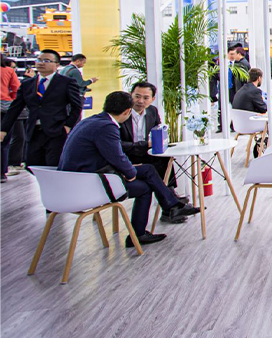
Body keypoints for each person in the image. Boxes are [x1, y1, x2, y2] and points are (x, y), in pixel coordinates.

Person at [58, 92, 200, 246]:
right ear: (127, 111)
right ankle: (141, 232)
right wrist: (130, 173)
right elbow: (117, 157)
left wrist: (129, 171)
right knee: (145, 187)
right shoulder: (107, 127)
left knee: (148, 170)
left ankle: (172, 207)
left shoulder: (91, 121)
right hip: (88, 185)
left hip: (76, 180)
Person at [1, 49, 83, 167]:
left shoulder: (66, 82)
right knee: (33, 165)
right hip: (33, 131)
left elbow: (76, 106)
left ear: (56, 64)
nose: (41, 63)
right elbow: (15, 108)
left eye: (46, 61)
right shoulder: (27, 84)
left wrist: (68, 125)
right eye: (39, 60)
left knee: (52, 165)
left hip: (56, 131)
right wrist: (4, 129)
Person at [118, 81, 171, 182]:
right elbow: (117, 144)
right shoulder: (121, 113)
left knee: (165, 159)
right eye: (137, 96)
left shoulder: (152, 111)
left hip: (146, 152)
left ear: (152, 99)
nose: (141, 101)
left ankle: (169, 187)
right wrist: (146, 144)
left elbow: (158, 130)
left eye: (146, 98)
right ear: (130, 95)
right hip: (127, 153)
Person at [233, 68, 272, 143]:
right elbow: (264, 109)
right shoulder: (255, 91)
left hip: (239, 124)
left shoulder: (241, 90)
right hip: (251, 124)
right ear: (259, 78)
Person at [1, 56, 21, 182]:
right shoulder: (8, 71)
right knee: (3, 141)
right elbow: (17, 89)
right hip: (4, 107)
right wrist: (11, 98)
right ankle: (1, 173)